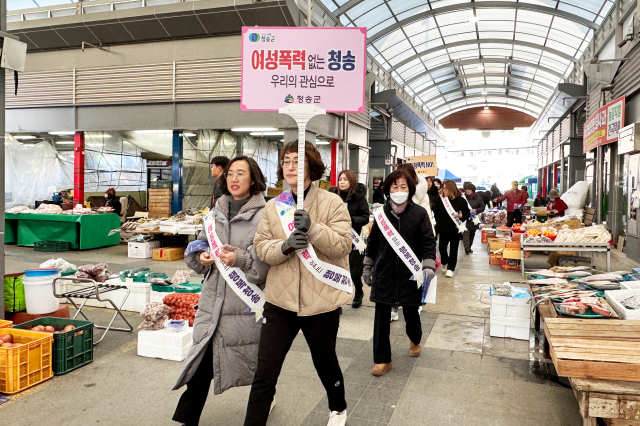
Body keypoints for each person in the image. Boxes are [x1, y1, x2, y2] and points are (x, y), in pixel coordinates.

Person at [244, 141, 352, 426]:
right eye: (286, 161)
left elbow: (343, 245)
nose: (290, 166)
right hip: (280, 301)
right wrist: (284, 247)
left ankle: (338, 407)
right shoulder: (273, 206)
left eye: (297, 161)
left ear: (311, 165)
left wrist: (313, 229)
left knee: (325, 361)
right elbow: (261, 247)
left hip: (321, 301)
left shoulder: (332, 202)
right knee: (265, 370)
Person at [173, 156, 270, 426]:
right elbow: (199, 243)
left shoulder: (266, 215)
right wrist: (201, 255)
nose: (234, 179)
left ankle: (265, 402)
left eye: (241, 173)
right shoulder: (216, 210)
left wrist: (239, 259)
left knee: (256, 365)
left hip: (245, 305)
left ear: (253, 179)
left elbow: (266, 261)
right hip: (212, 302)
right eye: (230, 174)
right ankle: (187, 418)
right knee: (201, 363)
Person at [362, 169, 436, 377]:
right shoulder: (381, 214)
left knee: (411, 313)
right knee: (381, 317)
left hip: (411, 273)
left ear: (410, 189)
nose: (399, 190)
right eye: (395, 187)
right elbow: (373, 243)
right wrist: (367, 266)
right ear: (388, 189)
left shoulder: (419, 213)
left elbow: (428, 242)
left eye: (403, 186)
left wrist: (428, 265)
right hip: (384, 272)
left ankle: (415, 339)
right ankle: (382, 359)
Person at [329, 170, 369, 309]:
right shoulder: (332, 196)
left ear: (352, 181)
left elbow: (365, 217)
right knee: (336, 268)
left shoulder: (359, 198)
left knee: (354, 271)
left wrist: (349, 220)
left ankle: (358, 291)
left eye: (345, 179)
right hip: (335, 238)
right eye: (340, 179)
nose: (342, 182)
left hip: (354, 239)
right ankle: (337, 298)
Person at [433, 180, 470, 278]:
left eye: (446, 188)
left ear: (451, 188)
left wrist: (461, 215)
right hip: (443, 229)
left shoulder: (460, 200)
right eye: (443, 188)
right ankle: (445, 261)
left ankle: (451, 269)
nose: (444, 190)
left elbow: (467, 213)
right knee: (442, 247)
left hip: (455, 229)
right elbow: (435, 213)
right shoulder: (440, 199)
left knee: (454, 249)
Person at [462, 183, 485, 255]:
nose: (467, 191)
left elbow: (482, 207)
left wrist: (476, 210)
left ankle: (469, 246)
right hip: (465, 218)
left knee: (472, 233)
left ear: (473, 190)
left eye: (469, 189)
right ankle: (466, 247)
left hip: (474, 218)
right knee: (466, 232)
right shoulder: (463, 197)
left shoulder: (478, 197)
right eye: (466, 189)